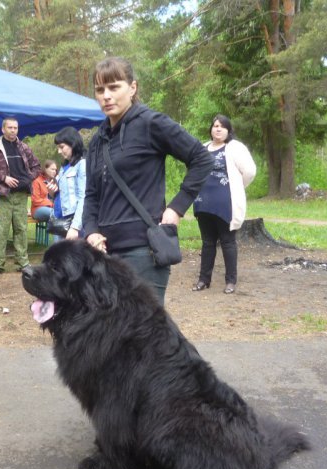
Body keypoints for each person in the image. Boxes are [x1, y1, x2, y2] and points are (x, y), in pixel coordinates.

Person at [82, 57, 212, 303]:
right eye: (100, 90)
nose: (106, 96)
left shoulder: (151, 123)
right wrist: (91, 232)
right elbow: (91, 195)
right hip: (104, 255)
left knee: (142, 327)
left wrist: (176, 208)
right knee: (107, 326)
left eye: (114, 87)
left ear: (132, 88)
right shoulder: (97, 142)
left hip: (143, 252)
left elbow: (201, 158)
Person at [192, 114, 257, 294]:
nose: (218, 129)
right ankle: (204, 280)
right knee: (207, 243)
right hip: (203, 204)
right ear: (211, 129)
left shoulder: (235, 148)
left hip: (225, 204)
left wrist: (237, 186)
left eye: (222, 126)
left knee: (228, 242)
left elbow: (250, 171)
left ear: (228, 130)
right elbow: (195, 170)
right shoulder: (203, 147)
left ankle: (230, 281)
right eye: (215, 126)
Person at [0, 117, 41, 276]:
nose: (13, 130)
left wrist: (28, 179)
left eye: (15, 127)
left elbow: (37, 166)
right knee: (1, 230)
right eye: (10, 127)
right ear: (3, 129)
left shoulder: (24, 147)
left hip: (21, 195)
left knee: (21, 229)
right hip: (3, 196)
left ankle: (23, 263)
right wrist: (4, 178)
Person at [54, 127, 87, 240]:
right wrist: (52, 192)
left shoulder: (82, 164)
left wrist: (75, 227)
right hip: (61, 220)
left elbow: (84, 197)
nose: (59, 151)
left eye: (62, 147)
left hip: (74, 223)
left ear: (72, 143)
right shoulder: (64, 166)